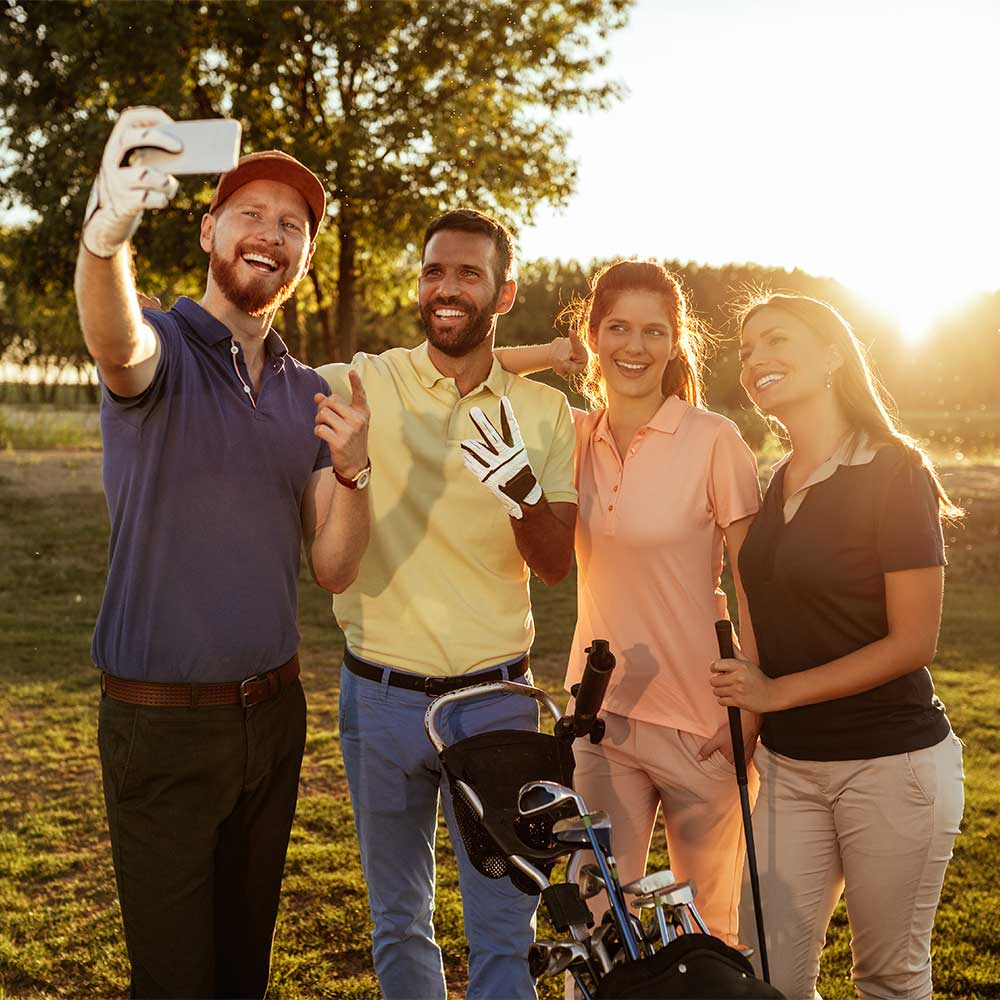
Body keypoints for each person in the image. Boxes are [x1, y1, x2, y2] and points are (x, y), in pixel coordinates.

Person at [76, 106, 371, 998]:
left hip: (273, 722)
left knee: (244, 974)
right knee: (175, 982)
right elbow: (114, 341)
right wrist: (104, 239)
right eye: (250, 214)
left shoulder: (307, 390)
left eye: (293, 225)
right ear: (208, 230)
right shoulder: (163, 345)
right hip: (161, 728)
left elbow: (335, 568)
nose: (271, 235)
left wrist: (356, 473)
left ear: (303, 257)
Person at [315, 209, 578, 1000]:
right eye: (435, 271)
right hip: (380, 697)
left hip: (495, 703)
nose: (447, 288)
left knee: (503, 927)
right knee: (398, 918)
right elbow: (254, 372)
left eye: (469, 273)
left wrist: (523, 493)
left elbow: (556, 563)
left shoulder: (543, 413)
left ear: (504, 292)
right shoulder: (367, 379)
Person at [496, 259, 762, 946]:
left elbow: (754, 579)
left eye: (653, 331)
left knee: (709, 932)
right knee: (591, 928)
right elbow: (475, 373)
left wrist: (753, 705)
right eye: (616, 328)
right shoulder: (573, 435)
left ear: (676, 344)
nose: (634, 347)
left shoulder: (713, 439)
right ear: (592, 334)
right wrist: (554, 355)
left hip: (701, 724)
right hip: (601, 721)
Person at [711, 293, 965, 1000]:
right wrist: (755, 708)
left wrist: (773, 694)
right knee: (769, 976)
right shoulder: (777, 480)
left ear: (832, 356)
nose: (757, 357)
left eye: (777, 339)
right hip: (790, 767)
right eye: (747, 348)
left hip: (893, 765)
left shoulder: (894, 470)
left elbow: (914, 640)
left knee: (887, 977)